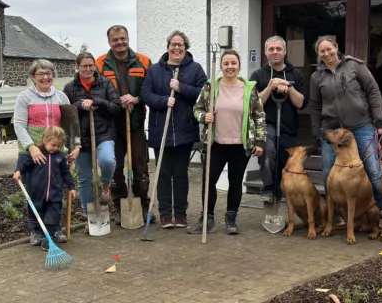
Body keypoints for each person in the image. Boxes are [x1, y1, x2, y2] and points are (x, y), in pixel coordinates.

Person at [309, 35, 382, 225]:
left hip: (361, 127)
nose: (326, 53)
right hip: (331, 130)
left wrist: (379, 121)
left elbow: (373, 92)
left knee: (373, 172)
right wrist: (317, 132)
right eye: (322, 51)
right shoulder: (316, 76)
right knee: (329, 174)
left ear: (336, 48)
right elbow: (315, 106)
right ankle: (335, 217)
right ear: (318, 54)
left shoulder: (355, 67)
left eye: (329, 49)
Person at [191, 49, 266, 235]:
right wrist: (204, 116)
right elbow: (197, 108)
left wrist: (260, 141)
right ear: (221, 66)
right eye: (226, 64)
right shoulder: (210, 87)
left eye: (233, 63)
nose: (229, 67)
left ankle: (231, 218)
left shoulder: (249, 88)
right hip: (215, 144)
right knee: (209, 182)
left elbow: (259, 116)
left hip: (240, 146)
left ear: (239, 66)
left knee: (235, 181)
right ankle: (207, 219)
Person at [142, 30, 207, 228]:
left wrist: (181, 88)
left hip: (184, 130)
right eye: (173, 44)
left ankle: (180, 214)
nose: (176, 48)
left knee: (180, 174)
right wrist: (164, 101)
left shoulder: (195, 69)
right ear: (168, 46)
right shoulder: (155, 70)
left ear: (185, 47)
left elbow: (204, 93)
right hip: (159, 130)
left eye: (180, 44)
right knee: (162, 174)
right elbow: (146, 94)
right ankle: (165, 214)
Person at [96, 25, 152, 217]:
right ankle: (120, 207)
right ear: (109, 42)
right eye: (115, 40)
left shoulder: (143, 61)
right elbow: (96, 92)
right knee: (116, 167)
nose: (120, 42)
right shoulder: (100, 63)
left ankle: (143, 205)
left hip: (135, 123)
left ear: (128, 39)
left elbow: (150, 90)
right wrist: (114, 102)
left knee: (139, 165)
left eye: (123, 38)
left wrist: (136, 99)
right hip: (111, 125)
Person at [63, 53, 121, 220]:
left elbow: (116, 106)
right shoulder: (70, 87)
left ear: (95, 66)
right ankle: (90, 215)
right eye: (84, 66)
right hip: (80, 137)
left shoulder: (105, 83)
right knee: (84, 177)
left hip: (104, 133)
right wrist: (80, 105)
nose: (88, 69)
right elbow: (65, 112)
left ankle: (105, 184)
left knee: (108, 160)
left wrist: (96, 101)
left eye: (91, 65)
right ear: (78, 67)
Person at [249, 35, 307, 205]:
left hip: (289, 127)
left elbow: (300, 103)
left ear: (285, 51)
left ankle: (285, 197)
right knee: (268, 151)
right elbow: (252, 103)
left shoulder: (295, 74)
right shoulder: (258, 75)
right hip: (266, 125)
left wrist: (288, 87)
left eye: (278, 49)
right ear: (266, 52)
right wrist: (269, 87)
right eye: (271, 49)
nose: (275, 52)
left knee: (286, 163)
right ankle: (267, 188)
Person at [13, 126, 77, 248]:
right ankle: (36, 233)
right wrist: (18, 171)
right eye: (53, 145)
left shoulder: (60, 157)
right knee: (35, 213)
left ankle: (54, 232)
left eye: (59, 146)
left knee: (54, 213)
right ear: (45, 140)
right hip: (37, 192)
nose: (56, 148)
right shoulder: (37, 154)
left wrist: (71, 187)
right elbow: (24, 164)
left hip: (54, 193)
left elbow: (66, 174)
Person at [13, 59, 80, 166]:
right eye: (40, 74)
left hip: (56, 152)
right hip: (32, 154)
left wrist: (77, 146)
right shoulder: (24, 97)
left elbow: (73, 124)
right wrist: (31, 147)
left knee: (58, 183)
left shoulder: (61, 97)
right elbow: (19, 126)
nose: (45, 77)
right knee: (33, 183)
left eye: (48, 73)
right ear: (33, 77)